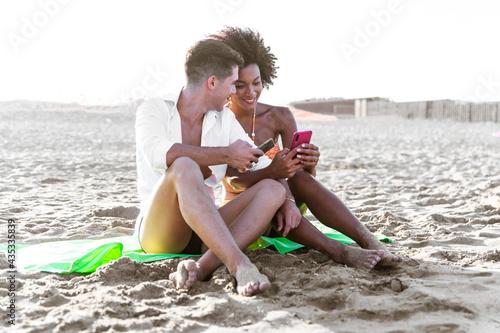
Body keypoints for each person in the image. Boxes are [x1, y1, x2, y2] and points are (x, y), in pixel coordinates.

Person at [210, 27, 402, 269]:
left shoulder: (278, 116)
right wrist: (273, 175)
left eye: (256, 83)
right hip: (247, 206)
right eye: (239, 85)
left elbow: (299, 175)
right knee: (272, 191)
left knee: (300, 178)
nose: (251, 92)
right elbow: (232, 181)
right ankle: (339, 251)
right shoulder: (218, 121)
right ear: (227, 83)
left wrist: (310, 164)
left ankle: (368, 239)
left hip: (288, 201)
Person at [133, 38, 287, 296]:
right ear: (213, 82)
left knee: (272, 189)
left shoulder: (223, 119)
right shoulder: (155, 108)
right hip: (161, 232)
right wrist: (227, 155)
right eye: (232, 84)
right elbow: (157, 154)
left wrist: (288, 188)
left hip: (207, 229)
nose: (235, 93)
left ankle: (202, 266)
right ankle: (239, 265)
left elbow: (262, 162)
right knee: (183, 165)